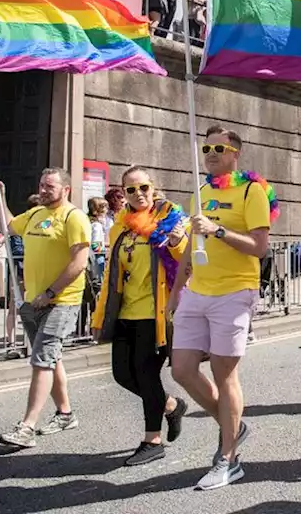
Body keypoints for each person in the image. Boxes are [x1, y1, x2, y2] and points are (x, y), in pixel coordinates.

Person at [171, 125, 273, 490]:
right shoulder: (200, 191)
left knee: (223, 374)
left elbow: (259, 248)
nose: (211, 153)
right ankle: (235, 425)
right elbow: (188, 246)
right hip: (197, 291)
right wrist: (176, 291)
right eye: (207, 148)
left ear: (235, 153)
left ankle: (229, 459)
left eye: (219, 148)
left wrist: (217, 231)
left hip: (235, 292)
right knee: (181, 369)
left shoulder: (252, 191)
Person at [91, 166, 191, 465]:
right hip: (124, 311)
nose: (139, 194)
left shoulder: (171, 219)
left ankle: (152, 440)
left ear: (154, 187)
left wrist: (176, 242)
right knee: (122, 375)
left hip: (156, 312)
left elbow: (186, 262)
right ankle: (171, 405)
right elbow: (111, 273)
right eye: (131, 190)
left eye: (143, 187)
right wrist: (100, 314)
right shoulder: (119, 226)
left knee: (147, 375)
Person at [0, 169, 92, 448]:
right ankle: (66, 414)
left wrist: (50, 292)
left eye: (50, 186)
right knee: (50, 358)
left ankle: (27, 427)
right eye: (41, 185)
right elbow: (6, 226)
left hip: (61, 301)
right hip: (33, 301)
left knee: (42, 358)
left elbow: (79, 263)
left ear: (66, 190)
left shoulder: (74, 218)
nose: (44, 190)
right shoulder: (36, 214)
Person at [87, 197, 110, 320]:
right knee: (97, 288)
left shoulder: (90, 222)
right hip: (97, 258)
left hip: (94, 257)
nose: (107, 210)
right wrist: (108, 246)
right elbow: (95, 245)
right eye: (104, 208)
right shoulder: (96, 225)